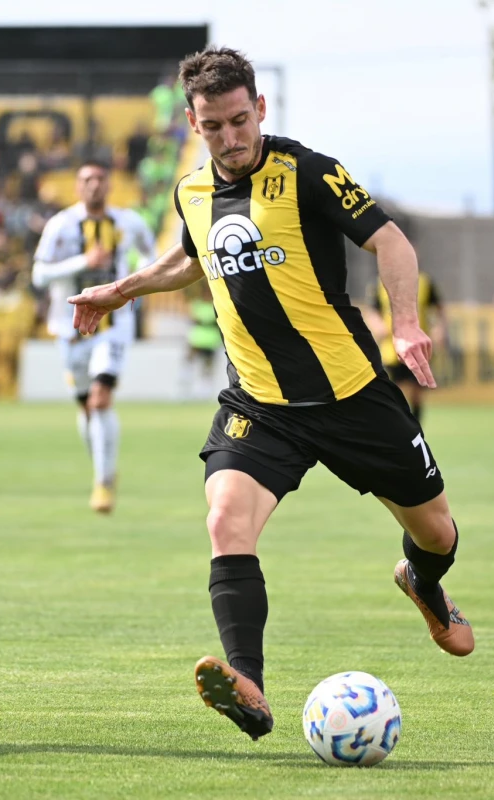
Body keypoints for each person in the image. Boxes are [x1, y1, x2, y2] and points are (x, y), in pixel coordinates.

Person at [69, 46, 473, 742]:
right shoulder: (192, 192)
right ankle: (247, 683)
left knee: (436, 532)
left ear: (259, 109)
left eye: (238, 121)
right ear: (194, 125)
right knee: (225, 519)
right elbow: (190, 259)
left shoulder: (309, 172)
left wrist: (405, 325)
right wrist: (121, 289)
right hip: (259, 405)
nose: (229, 139)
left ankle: (423, 582)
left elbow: (393, 242)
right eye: (212, 126)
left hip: (351, 394)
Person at [31, 160, 156, 514]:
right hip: (69, 329)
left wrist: (134, 284)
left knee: (101, 398)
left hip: (114, 327)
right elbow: (39, 275)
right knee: (87, 407)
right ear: (77, 186)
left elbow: (152, 256)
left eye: (100, 179)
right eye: (87, 180)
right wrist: (82, 263)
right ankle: (104, 468)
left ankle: (102, 483)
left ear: (110, 185)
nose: (94, 186)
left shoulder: (129, 222)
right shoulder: (61, 225)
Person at [365, 270, 446, 423]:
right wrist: (377, 325)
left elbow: (437, 309)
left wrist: (439, 328)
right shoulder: (379, 283)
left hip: (416, 347)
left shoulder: (424, 282)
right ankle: (396, 426)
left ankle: (416, 428)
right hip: (390, 348)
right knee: (394, 391)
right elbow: (372, 311)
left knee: (417, 392)